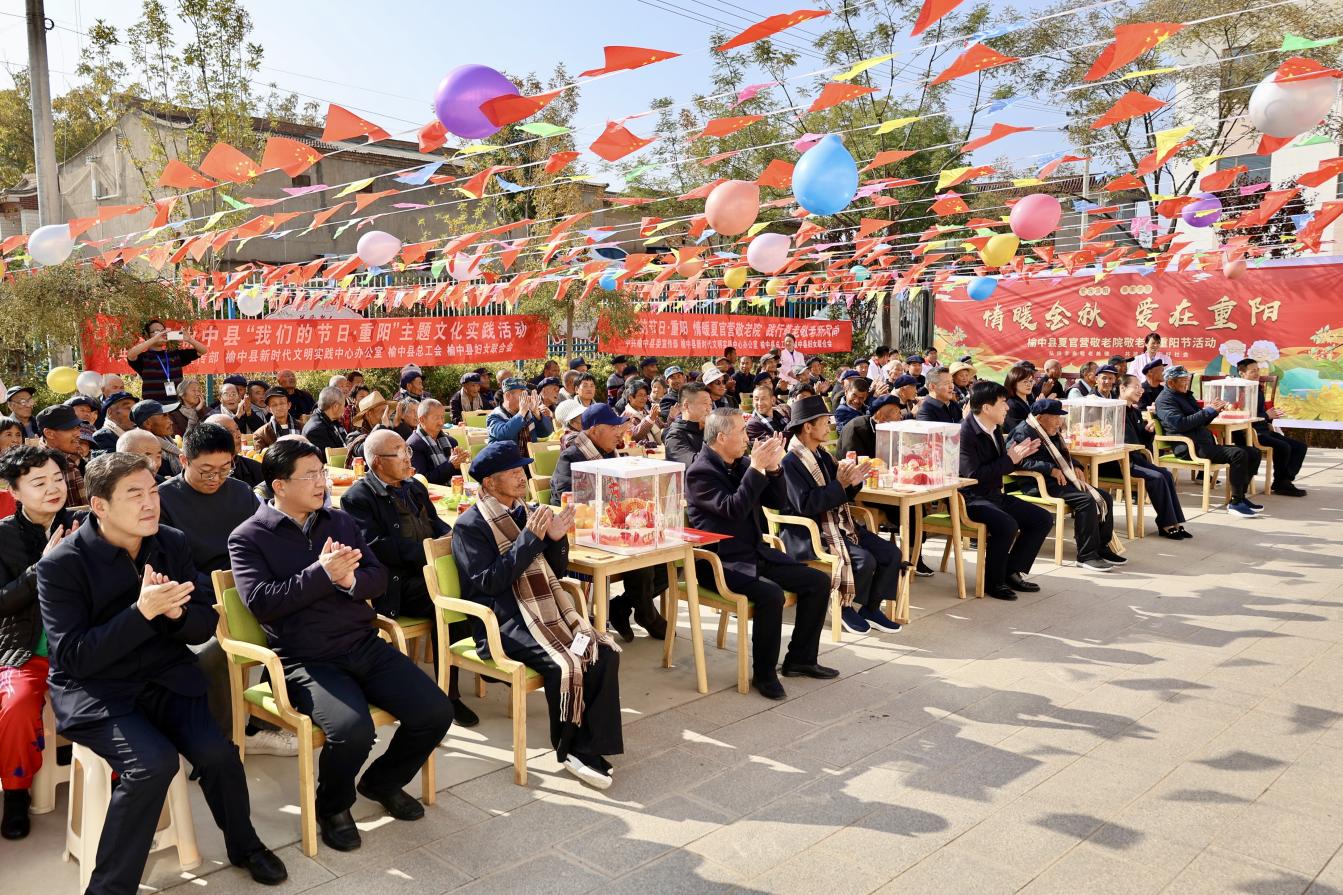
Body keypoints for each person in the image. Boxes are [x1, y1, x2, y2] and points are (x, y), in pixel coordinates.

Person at [37, 452, 287, 888]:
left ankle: (245, 845)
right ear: (99, 505)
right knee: (152, 764)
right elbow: (75, 657)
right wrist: (141, 613)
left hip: (165, 675)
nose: (150, 503)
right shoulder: (62, 565)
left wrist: (175, 615)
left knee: (218, 755)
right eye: (134, 494)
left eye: (153, 491)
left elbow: (203, 624)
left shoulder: (170, 543)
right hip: (97, 690)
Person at [228, 440, 453, 852]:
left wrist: (350, 581)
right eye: (310, 476)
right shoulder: (249, 537)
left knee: (436, 712)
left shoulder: (339, 522)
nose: (321, 482)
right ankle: (333, 806)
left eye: (322, 473)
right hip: (306, 659)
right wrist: (322, 574)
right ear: (279, 485)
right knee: (352, 731)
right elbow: (262, 603)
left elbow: (377, 578)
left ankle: (382, 782)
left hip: (362, 642)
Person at [452, 442, 623, 789]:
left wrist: (555, 539)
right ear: (489, 483)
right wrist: (530, 539)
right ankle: (570, 748)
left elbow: (553, 572)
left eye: (523, 470)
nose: (522, 478)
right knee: (563, 663)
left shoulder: (525, 512)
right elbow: (489, 582)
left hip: (544, 613)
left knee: (601, 652)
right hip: (502, 621)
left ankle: (588, 745)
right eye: (513, 472)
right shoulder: (471, 525)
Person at [687, 410, 834, 700]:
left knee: (817, 581)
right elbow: (733, 510)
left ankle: (800, 659)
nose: (747, 438)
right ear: (721, 438)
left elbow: (775, 501)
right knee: (771, 596)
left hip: (754, 552)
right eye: (742, 432)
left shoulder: (742, 463)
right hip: (721, 562)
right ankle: (765, 674)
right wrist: (756, 468)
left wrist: (775, 467)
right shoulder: (700, 472)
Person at [340, 429, 478, 728]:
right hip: (395, 585)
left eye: (408, 451)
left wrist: (451, 539)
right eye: (400, 453)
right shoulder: (357, 497)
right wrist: (429, 553)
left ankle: (488, 654)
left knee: (476, 582)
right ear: (378, 462)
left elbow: (434, 522)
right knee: (445, 599)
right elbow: (377, 547)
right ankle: (449, 694)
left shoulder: (414, 486)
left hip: (427, 571)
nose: (407, 458)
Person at [0, 446, 77, 840]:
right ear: (14, 491)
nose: (53, 488)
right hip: (24, 647)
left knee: (128, 688)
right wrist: (42, 567)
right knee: (15, 706)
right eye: (39, 482)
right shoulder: (3, 536)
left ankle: (122, 779)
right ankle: (16, 792)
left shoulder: (85, 523)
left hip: (80, 645)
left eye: (57, 479)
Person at [779, 397, 902, 635]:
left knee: (891, 554)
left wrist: (854, 482)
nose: (830, 427)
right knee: (864, 560)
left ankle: (871, 608)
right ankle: (843, 607)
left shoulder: (822, 455)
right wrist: (841, 484)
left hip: (838, 523)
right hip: (809, 531)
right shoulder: (790, 462)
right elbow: (806, 505)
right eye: (825, 422)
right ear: (808, 427)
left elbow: (841, 492)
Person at [549, 404, 668, 641]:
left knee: (667, 561)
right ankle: (647, 615)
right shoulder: (571, 457)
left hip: (614, 527)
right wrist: (607, 507)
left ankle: (620, 607)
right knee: (641, 563)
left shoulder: (612, 454)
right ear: (594, 430)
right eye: (613, 428)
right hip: (583, 533)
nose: (619, 433)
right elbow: (566, 498)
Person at [959, 382, 1053, 600]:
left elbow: (1002, 466)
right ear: (986, 408)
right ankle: (993, 582)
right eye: (1002, 403)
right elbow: (973, 476)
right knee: (1007, 524)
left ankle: (1011, 571)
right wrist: (1010, 459)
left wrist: (1016, 458)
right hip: (971, 499)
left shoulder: (994, 428)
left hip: (993, 495)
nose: (1007, 408)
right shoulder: (965, 434)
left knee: (1042, 519)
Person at [1009, 399, 1125, 572]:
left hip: (1059, 481)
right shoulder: (1023, 431)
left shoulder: (1049, 431)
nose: (1059, 422)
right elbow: (1016, 461)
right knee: (1086, 501)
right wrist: (1049, 469)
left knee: (1105, 497)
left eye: (1060, 417)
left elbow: (1062, 455)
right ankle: (1086, 555)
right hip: (1038, 484)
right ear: (1040, 417)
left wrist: (1076, 465)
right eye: (1055, 417)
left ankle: (1101, 547)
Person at [1154, 365, 1263, 517]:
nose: (1187, 383)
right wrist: (1208, 411)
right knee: (1238, 454)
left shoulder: (1185, 396)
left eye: (1187, 380)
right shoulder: (1165, 400)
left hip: (1203, 444)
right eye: (1183, 380)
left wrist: (1214, 411)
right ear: (1171, 383)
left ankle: (1240, 497)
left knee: (1254, 452)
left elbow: (1200, 420)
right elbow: (1180, 424)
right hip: (1189, 448)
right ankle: (1236, 503)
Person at [1101, 375, 1190, 539]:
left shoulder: (1134, 412)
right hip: (1117, 462)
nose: (1140, 390)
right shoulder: (1111, 411)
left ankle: (1176, 522)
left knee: (1166, 474)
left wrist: (1148, 432)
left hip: (1135, 460)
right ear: (1122, 388)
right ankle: (1166, 524)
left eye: (1140, 387)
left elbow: (1142, 443)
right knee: (1157, 477)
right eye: (1136, 387)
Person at [1233, 358, 1308, 497]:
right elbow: (1241, 414)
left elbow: (1261, 414)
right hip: (1249, 432)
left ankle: (1284, 481)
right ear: (1242, 373)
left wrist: (1269, 417)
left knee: (1300, 447)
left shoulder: (1257, 388)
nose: (1257, 373)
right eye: (1252, 371)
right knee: (1283, 447)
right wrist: (1266, 415)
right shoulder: (1239, 390)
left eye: (1258, 370)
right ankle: (1281, 482)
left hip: (1263, 430)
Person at [125, 319, 207, 402]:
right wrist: (154, 340)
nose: (161, 334)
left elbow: (202, 351)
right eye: (156, 332)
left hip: (177, 406)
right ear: (147, 336)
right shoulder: (143, 357)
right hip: (154, 407)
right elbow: (130, 355)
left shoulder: (174, 354)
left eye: (163, 331)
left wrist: (190, 339)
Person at [406, 398, 470, 485]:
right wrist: (451, 465)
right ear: (422, 419)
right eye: (436, 418)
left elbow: (457, 476)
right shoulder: (414, 445)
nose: (441, 422)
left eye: (442, 417)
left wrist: (461, 463)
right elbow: (422, 481)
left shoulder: (451, 442)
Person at [36, 404, 86, 508]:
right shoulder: (43, 465)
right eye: (70, 429)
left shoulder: (75, 458)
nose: (77, 433)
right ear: (49, 433)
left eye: (77, 427)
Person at [487, 379, 555, 450]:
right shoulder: (495, 416)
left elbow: (546, 433)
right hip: (504, 456)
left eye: (527, 394)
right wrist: (521, 413)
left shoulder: (528, 413)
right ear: (508, 396)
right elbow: (505, 435)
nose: (527, 398)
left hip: (528, 456)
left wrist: (536, 413)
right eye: (523, 395)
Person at [206, 413, 265, 489]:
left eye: (237, 429)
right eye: (229, 431)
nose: (238, 435)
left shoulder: (256, 469)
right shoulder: (199, 471)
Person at [664, 382, 711, 468]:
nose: (709, 409)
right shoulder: (674, 437)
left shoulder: (709, 430)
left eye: (710, 404)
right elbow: (697, 465)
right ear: (686, 406)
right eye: (705, 403)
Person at [132, 399, 183, 477]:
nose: (171, 422)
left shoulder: (166, 440)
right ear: (147, 423)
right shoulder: (147, 456)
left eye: (168, 415)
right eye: (164, 416)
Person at [302, 387, 349, 460]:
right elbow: (329, 460)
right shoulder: (316, 431)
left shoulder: (332, 421)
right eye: (344, 405)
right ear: (335, 406)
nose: (344, 409)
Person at [619, 380, 663, 450]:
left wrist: (671, 418)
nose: (644, 398)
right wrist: (650, 419)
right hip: (640, 454)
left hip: (658, 450)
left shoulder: (648, 412)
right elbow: (634, 436)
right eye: (640, 395)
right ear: (630, 397)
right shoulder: (625, 417)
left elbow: (663, 427)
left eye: (645, 395)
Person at [1003, 365, 1036, 432]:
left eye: (1031, 381)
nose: (1029, 384)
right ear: (1014, 383)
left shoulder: (1031, 400)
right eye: (1025, 381)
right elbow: (1018, 430)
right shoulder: (1011, 405)